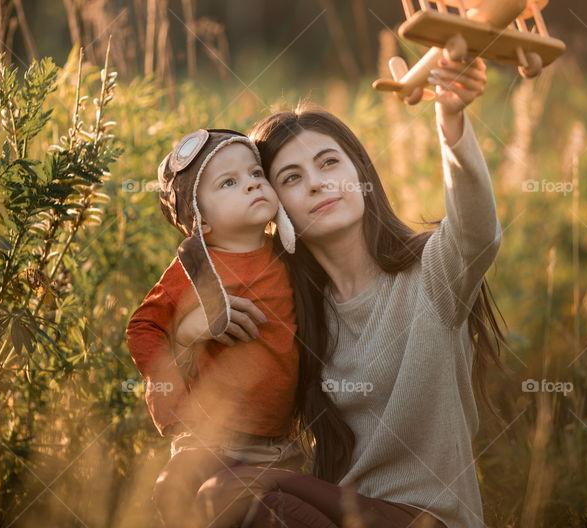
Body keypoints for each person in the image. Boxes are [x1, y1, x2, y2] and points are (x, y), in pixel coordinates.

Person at [177, 53, 507, 527]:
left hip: (427, 521)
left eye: (328, 162)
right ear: (273, 207)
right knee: (217, 491)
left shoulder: (433, 275)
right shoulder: (291, 313)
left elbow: (479, 230)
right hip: (334, 516)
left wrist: (450, 121)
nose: (317, 183)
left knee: (250, 492)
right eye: (291, 178)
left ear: (360, 174)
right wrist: (191, 330)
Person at [126, 128, 307, 527]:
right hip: (208, 434)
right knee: (182, 496)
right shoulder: (194, 270)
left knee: (267, 516)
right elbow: (142, 327)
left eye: (256, 174)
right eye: (230, 182)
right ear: (200, 218)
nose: (251, 185)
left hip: (276, 441)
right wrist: (180, 351)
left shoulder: (289, 258)